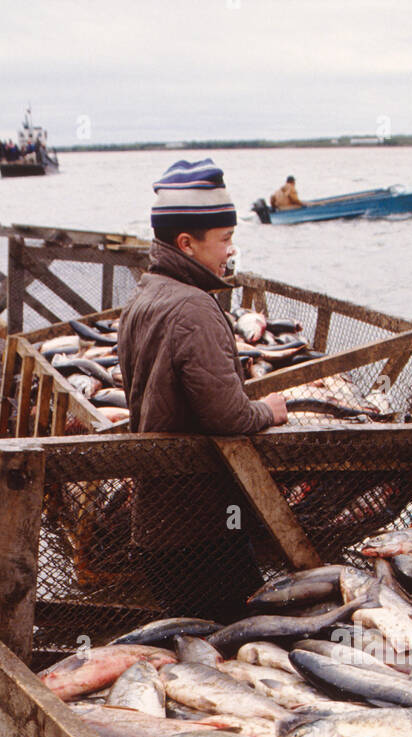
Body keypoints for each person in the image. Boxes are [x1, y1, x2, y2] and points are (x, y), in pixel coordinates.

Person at [119, 158, 287, 621]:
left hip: (156, 526)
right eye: (225, 239)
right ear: (186, 244)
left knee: (198, 638)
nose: (231, 251)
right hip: (200, 531)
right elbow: (227, 416)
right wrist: (269, 411)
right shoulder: (194, 308)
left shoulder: (143, 296)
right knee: (240, 638)